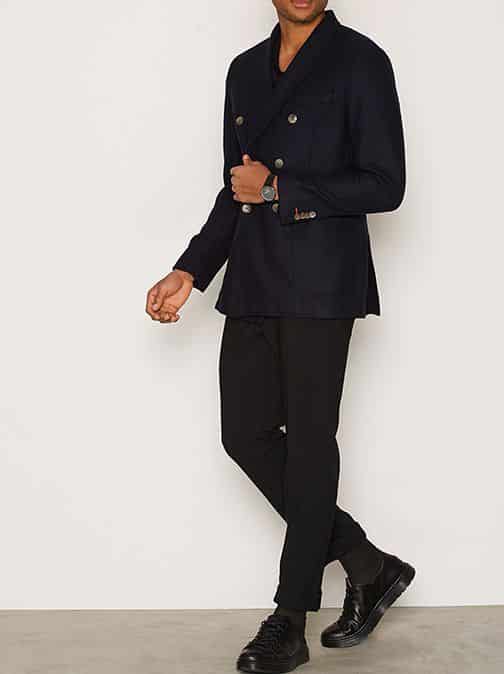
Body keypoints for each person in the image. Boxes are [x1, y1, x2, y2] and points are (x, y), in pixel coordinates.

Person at [146, 2, 415, 672]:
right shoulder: (245, 71)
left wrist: (280, 189)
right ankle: (365, 562)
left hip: (323, 284)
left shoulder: (361, 61)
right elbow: (235, 189)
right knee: (244, 435)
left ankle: (290, 621)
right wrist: (190, 270)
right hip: (254, 279)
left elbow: (386, 184)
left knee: (311, 446)